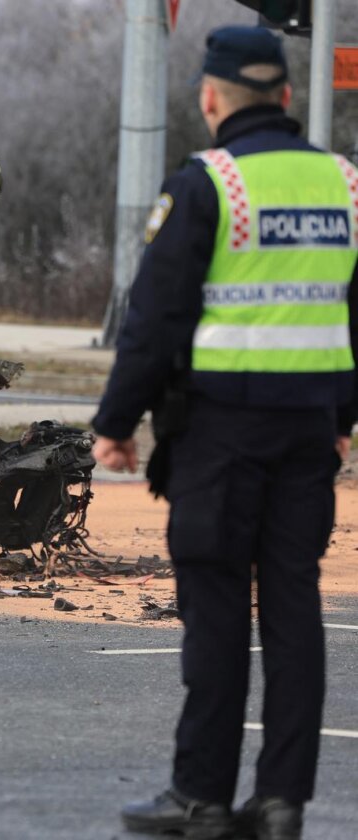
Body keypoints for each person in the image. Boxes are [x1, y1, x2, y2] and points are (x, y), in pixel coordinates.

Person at [93, 26, 358, 840]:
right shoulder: (346, 184)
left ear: (210, 99)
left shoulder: (210, 184)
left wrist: (116, 423)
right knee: (292, 613)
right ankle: (282, 804)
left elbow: (155, 316)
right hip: (310, 436)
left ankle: (200, 795)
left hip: (220, 439)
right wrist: (343, 419)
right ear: (285, 96)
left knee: (214, 612)